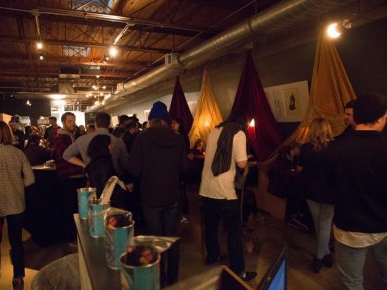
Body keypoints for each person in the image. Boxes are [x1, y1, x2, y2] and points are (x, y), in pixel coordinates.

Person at [327, 94, 387, 290]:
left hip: (350, 228)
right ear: (379, 118)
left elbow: (330, 186)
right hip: (383, 225)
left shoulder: (336, 147)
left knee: (352, 283)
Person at [127, 101, 187, 287]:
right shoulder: (177, 139)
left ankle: (158, 279)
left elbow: (135, 170)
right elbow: (185, 167)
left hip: (150, 197)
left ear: (151, 119)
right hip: (171, 196)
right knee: (171, 236)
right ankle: (173, 277)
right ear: (166, 120)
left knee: (155, 238)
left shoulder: (141, 139)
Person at [199, 110, 256, 282]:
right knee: (234, 233)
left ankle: (213, 257)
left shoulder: (214, 130)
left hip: (206, 188)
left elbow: (210, 156)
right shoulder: (239, 132)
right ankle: (238, 271)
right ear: (244, 123)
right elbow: (241, 162)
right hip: (224, 191)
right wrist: (247, 160)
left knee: (211, 227)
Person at [0, 121, 35, 290]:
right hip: (16, 202)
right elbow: (30, 179)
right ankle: (18, 277)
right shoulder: (17, 153)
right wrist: (15, 183)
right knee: (16, 241)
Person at [297, 118, 335, 273]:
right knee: (324, 225)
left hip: (311, 191)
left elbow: (299, 169)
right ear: (327, 129)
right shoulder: (335, 148)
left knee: (318, 224)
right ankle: (323, 255)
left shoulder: (306, 148)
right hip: (330, 193)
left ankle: (321, 256)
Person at [63, 112, 128, 178]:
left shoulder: (82, 139)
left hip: (92, 177)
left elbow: (66, 155)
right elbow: (125, 164)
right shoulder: (118, 141)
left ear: (95, 124)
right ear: (109, 124)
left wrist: (85, 165)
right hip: (114, 179)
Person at [53, 112, 84, 241]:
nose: (72, 123)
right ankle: (71, 236)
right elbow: (65, 156)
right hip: (69, 177)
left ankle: (78, 235)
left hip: (79, 176)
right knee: (71, 208)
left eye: (73, 120)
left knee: (79, 207)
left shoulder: (75, 136)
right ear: (64, 122)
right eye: (69, 121)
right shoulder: (61, 139)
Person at [268, 142, 308, 231]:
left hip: (287, 182)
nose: (300, 151)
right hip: (278, 184)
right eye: (299, 149)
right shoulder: (282, 157)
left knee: (300, 188)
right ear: (294, 148)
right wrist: (293, 172)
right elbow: (278, 173)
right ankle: (291, 215)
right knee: (296, 190)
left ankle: (297, 213)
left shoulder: (295, 158)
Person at [85, 135, 125, 208]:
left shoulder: (94, 162)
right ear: (103, 146)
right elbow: (106, 188)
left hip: (97, 203)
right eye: (110, 144)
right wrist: (125, 188)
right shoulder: (104, 163)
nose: (112, 146)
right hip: (106, 205)